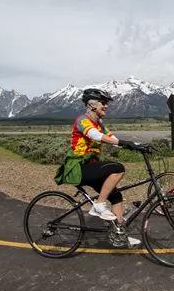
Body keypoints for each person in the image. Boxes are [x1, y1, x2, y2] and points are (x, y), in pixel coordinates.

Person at [54, 87, 140, 246]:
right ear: (92, 105)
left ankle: (119, 235)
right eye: (103, 103)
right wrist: (121, 142)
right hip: (78, 167)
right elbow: (95, 136)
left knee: (116, 196)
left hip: (90, 167)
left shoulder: (98, 123)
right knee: (117, 168)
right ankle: (98, 205)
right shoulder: (83, 120)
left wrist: (136, 145)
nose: (106, 106)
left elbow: (111, 138)